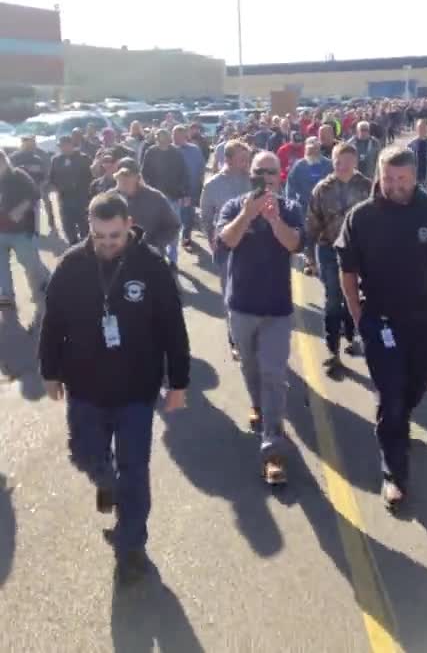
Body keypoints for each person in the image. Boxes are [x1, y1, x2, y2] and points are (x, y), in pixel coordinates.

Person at [39, 192, 190, 584]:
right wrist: (49, 371)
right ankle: (107, 483)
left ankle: (131, 546)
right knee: (85, 455)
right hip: (85, 386)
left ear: (128, 226)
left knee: (135, 470)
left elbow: (173, 326)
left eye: (115, 235)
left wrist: (179, 382)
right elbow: (52, 321)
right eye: (100, 235)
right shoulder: (71, 265)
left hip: (137, 389)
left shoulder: (152, 266)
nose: (107, 243)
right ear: (90, 227)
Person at [336, 146, 427, 510]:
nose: (394, 186)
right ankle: (394, 473)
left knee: (416, 385)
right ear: (379, 174)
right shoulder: (361, 217)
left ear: (415, 177)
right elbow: (348, 271)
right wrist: (358, 316)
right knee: (390, 396)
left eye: (402, 179)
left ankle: (398, 422)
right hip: (381, 322)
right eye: (388, 178)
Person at [216, 151, 304, 486]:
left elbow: (295, 244)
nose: (265, 177)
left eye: (271, 172)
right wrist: (249, 215)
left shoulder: (290, 207)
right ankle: (259, 406)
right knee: (250, 367)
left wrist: (273, 220)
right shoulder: (233, 206)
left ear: (279, 176)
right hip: (241, 306)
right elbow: (227, 240)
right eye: (258, 172)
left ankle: (273, 449)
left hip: (277, 310)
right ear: (249, 175)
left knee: (273, 372)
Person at [307, 143, 371, 374]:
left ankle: (350, 336)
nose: (340, 165)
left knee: (352, 297)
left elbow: (377, 220)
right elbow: (312, 223)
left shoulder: (367, 186)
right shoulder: (322, 189)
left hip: (357, 252)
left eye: (344, 161)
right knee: (333, 298)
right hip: (329, 250)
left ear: (354, 162)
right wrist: (309, 257)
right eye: (336, 160)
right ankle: (332, 348)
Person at [200, 140, 251, 355]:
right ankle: (236, 341)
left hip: (253, 248)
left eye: (247, 159)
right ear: (228, 160)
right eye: (242, 160)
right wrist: (212, 240)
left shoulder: (253, 180)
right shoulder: (212, 186)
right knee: (232, 297)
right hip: (226, 250)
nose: (246, 163)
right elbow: (205, 216)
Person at [0, 149, 50, 308]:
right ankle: (7, 294)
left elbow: (35, 194)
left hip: (21, 231)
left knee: (30, 263)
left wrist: (20, 209)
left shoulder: (18, 176)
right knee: (1, 266)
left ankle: (45, 282)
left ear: (4, 161)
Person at [141, 129, 190, 268]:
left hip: (173, 196)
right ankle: (158, 256)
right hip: (155, 197)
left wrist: (185, 193)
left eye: (164, 138)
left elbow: (184, 174)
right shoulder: (151, 152)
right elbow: (144, 173)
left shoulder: (176, 153)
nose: (162, 140)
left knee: (174, 227)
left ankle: (173, 259)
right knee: (155, 228)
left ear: (169, 139)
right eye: (159, 138)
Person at [286, 137, 333, 275]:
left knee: (323, 236)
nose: (312, 152)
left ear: (319, 149)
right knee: (308, 237)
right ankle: (311, 262)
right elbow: (290, 187)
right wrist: (292, 204)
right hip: (305, 208)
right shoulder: (299, 166)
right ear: (305, 150)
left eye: (315, 149)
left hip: (324, 209)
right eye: (310, 150)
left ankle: (323, 262)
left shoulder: (328, 164)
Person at [113, 159, 180, 255]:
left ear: (137, 177)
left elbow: (173, 226)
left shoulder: (155, 197)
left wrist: (155, 244)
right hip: (117, 256)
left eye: (128, 175)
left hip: (149, 256)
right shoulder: (109, 199)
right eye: (121, 176)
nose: (124, 179)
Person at [49, 135, 92, 245]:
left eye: (66, 145)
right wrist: (57, 188)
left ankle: (86, 247)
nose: (63, 148)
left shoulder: (83, 158)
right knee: (68, 226)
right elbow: (52, 178)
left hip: (82, 199)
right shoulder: (56, 160)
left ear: (72, 145)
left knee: (84, 226)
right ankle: (73, 246)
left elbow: (91, 177)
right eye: (61, 146)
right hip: (65, 199)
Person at [172, 125, 205, 252]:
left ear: (184, 136)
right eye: (173, 135)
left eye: (177, 136)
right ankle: (173, 241)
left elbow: (201, 168)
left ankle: (186, 239)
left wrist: (199, 186)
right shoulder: (169, 150)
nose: (175, 138)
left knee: (188, 216)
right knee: (175, 217)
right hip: (173, 191)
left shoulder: (194, 150)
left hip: (190, 190)